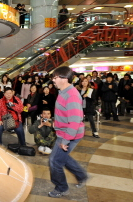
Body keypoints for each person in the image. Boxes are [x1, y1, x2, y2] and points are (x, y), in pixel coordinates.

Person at [49, 66, 87, 198]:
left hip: (69, 134)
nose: (53, 80)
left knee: (55, 161)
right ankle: (82, 176)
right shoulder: (63, 91)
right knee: (62, 158)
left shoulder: (71, 95)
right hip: (63, 132)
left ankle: (61, 188)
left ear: (64, 78)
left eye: (55, 77)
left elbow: (75, 120)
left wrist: (66, 140)